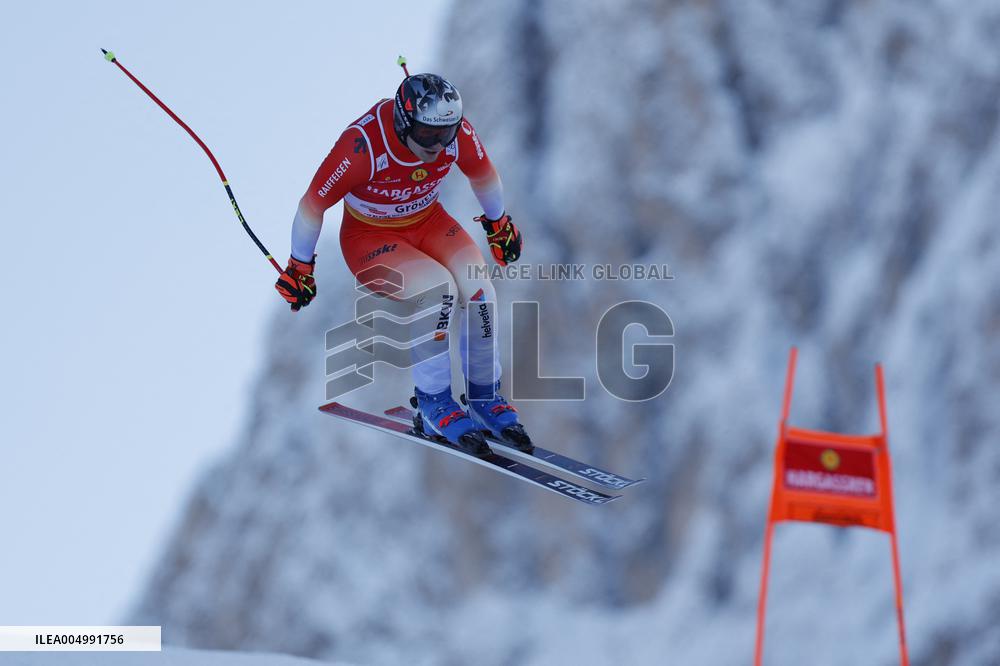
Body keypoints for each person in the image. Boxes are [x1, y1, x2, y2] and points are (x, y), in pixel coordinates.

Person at [275, 72, 531, 457]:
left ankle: (484, 398)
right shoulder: (361, 146)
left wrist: (498, 223)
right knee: (437, 291)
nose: (437, 146)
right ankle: (433, 404)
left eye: (446, 135)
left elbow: (483, 175)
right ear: (403, 121)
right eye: (427, 135)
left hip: (429, 222)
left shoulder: (455, 134)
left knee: (480, 290)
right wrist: (300, 266)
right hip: (370, 238)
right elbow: (313, 204)